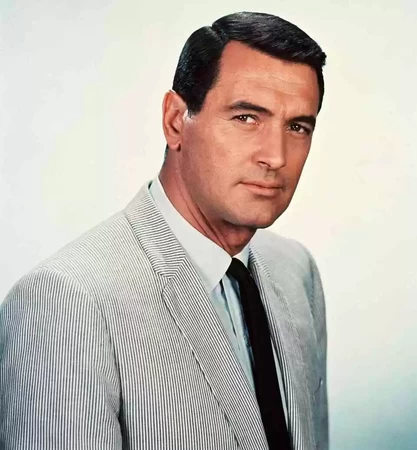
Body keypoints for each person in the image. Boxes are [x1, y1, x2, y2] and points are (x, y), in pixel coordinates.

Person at [0, 11, 328, 450]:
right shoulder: (66, 301)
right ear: (175, 120)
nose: (276, 156)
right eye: (247, 118)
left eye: (297, 127)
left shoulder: (296, 271)